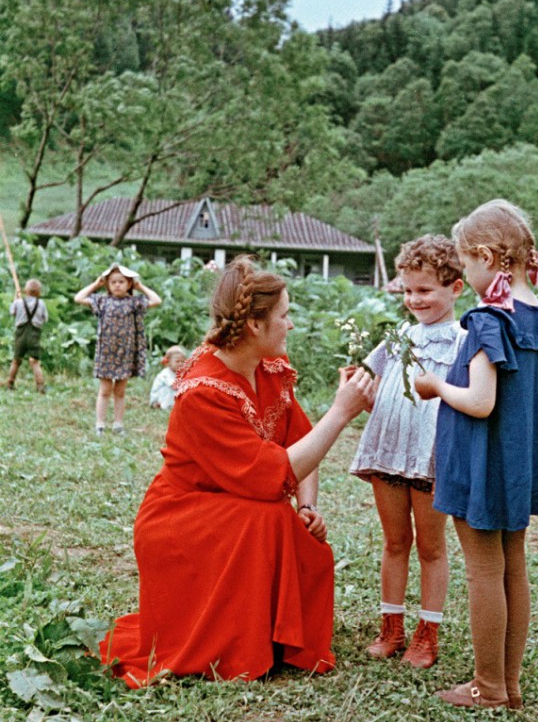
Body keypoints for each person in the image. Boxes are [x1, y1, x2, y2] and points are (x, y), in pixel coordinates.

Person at [99, 255, 375, 686]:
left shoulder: (269, 369)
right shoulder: (203, 393)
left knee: (293, 531)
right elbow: (272, 478)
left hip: (236, 504)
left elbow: (298, 447)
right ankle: (245, 644)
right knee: (267, 517)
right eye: (285, 316)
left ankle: (271, 637)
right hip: (182, 516)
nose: (292, 325)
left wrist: (307, 506)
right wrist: (340, 414)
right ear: (255, 326)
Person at [415, 199, 538, 709]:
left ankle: (489, 686)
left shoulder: (487, 320)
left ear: (484, 256)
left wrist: (435, 385)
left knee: (483, 571)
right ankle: (509, 683)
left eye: (465, 263)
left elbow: (480, 401)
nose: (466, 274)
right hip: (519, 465)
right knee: (512, 567)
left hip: (483, 463)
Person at [350, 235, 464, 668]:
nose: (414, 300)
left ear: (454, 288)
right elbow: (367, 377)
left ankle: (427, 633)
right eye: (408, 291)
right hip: (388, 449)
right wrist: (356, 383)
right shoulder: (398, 336)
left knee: (431, 547)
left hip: (431, 454)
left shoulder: (462, 340)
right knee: (395, 541)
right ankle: (391, 627)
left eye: (425, 290)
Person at [74, 263, 161, 436]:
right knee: (105, 390)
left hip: (126, 353)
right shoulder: (102, 301)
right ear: (107, 285)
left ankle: (118, 424)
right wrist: (96, 284)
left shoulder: (134, 302)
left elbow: (157, 301)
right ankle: (100, 424)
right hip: (106, 353)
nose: (117, 285)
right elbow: (78, 298)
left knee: (120, 392)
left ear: (129, 284)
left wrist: (140, 286)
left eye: (122, 281)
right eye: (113, 282)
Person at [5, 278, 48, 393]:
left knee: (16, 360)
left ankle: (10, 382)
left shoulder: (19, 302)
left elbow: (12, 312)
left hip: (21, 334)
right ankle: (40, 385)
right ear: (39, 292)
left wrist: (16, 299)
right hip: (34, 334)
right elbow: (45, 319)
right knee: (34, 361)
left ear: (25, 290)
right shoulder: (41, 303)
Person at [149, 345, 187, 410]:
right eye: (177, 361)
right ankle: (161, 405)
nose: (180, 364)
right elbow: (173, 385)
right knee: (170, 390)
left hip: (171, 392)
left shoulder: (181, 373)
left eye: (182, 361)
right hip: (158, 397)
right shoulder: (165, 374)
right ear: (169, 362)